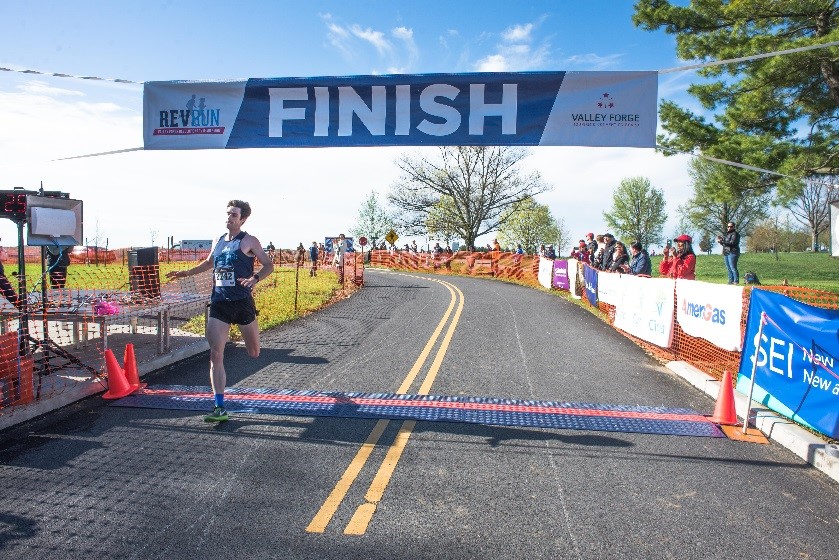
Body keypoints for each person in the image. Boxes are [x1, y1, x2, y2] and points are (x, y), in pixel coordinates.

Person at [166, 200, 274, 422]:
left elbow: (268, 265)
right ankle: (219, 406)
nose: (229, 218)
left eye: (234, 215)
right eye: (228, 214)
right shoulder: (218, 241)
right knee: (216, 354)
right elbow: (208, 263)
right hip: (219, 303)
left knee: (254, 353)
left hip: (242, 303)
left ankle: (251, 337)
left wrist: (254, 279)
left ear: (242, 219)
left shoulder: (249, 241)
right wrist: (185, 273)